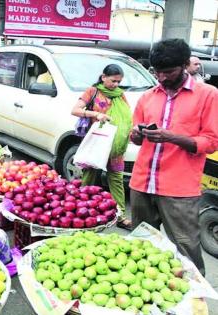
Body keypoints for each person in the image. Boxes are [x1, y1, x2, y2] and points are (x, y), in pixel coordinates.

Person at [130, 39, 218, 276]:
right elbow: (134, 139)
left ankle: (195, 303)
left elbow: (211, 142)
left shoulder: (208, 95)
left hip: (178, 188)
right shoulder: (148, 97)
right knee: (141, 244)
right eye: (157, 72)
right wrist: (137, 134)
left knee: (186, 246)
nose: (161, 78)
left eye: (168, 72)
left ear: (184, 65)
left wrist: (171, 137)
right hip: (141, 183)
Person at [71, 64, 133, 230]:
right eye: (113, 81)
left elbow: (127, 116)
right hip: (97, 143)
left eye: (119, 82)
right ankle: (79, 211)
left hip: (115, 146)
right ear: (103, 76)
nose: (116, 85)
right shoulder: (92, 91)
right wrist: (95, 114)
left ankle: (120, 216)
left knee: (117, 180)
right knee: (89, 178)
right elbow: (75, 110)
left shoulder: (120, 95)